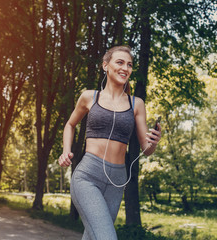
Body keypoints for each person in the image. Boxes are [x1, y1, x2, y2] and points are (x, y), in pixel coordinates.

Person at [58, 45, 161, 240]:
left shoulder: (136, 103)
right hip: (88, 175)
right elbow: (70, 125)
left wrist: (153, 142)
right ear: (105, 65)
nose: (125, 68)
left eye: (129, 65)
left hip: (117, 179)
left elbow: (146, 149)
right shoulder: (89, 97)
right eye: (120, 62)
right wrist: (66, 151)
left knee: (93, 236)